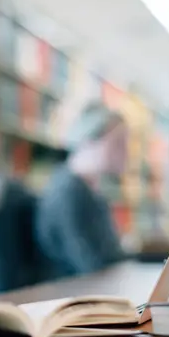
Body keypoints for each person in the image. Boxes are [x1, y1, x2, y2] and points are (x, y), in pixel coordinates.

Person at [34, 101, 130, 279]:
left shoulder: (92, 191)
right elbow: (89, 265)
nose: (126, 152)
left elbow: (111, 256)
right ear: (89, 140)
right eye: (118, 143)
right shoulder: (67, 193)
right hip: (71, 295)